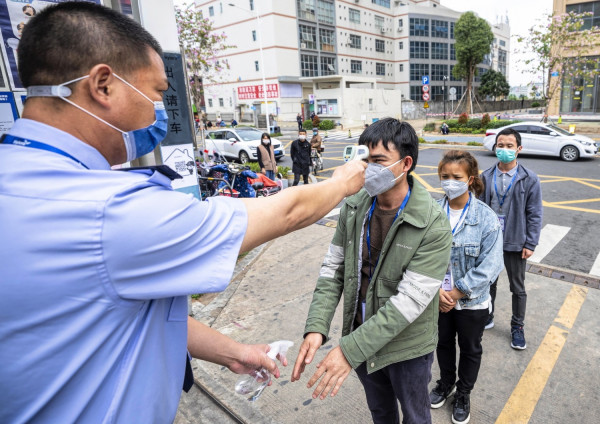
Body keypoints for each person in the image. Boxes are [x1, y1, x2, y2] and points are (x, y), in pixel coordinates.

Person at [0, 3, 367, 423]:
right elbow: (286, 212)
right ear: (103, 84)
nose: (160, 109)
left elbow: (125, 314)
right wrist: (342, 182)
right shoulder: (110, 213)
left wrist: (234, 353)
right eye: (157, 93)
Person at [292, 118, 452, 424]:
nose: (368, 169)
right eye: (365, 159)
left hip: (407, 347)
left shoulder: (433, 223)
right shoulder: (354, 206)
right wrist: (317, 325)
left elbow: (409, 303)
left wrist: (348, 350)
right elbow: (333, 269)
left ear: (405, 164)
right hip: (361, 329)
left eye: (378, 161)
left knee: (416, 417)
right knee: (381, 413)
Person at [429, 150, 504, 424]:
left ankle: (463, 393)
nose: (449, 182)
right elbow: (420, 256)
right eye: (444, 176)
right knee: (443, 343)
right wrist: (437, 291)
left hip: (472, 301)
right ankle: (446, 382)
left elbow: (491, 265)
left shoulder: (486, 218)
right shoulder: (432, 212)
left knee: (471, 347)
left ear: (470, 179)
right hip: (438, 298)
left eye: (456, 177)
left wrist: (457, 291)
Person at [479, 128, 542, 350]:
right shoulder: (485, 176)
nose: (504, 150)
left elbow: (534, 213)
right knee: (488, 283)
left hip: (516, 241)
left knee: (518, 287)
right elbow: (477, 209)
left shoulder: (529, 178)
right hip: (490, 241)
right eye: (500, 145)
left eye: (509, 146)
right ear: (495, 147)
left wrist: (530, 243)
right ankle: (488, 315)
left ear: (519, 149)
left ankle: (517, 327)